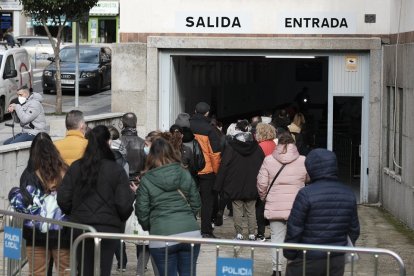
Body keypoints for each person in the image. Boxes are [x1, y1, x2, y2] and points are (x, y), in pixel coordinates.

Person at [57, 125, 134, 276]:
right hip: (107, 229)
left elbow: (63, 198)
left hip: (80, 227)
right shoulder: (116, 170)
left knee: (84, 270)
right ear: (108, 142)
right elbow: (123, 205)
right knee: (103, 270)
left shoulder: (76, 167)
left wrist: (75, 212)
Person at [284, 148, 360, 276]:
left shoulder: (305, 194)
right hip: (336, 258)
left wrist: (290, 253)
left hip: (307, 257)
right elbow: (354, 229)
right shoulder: (348, 193)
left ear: (311, 168)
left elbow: (294, 228)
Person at [135, 136, 201, 275]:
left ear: (151, 156)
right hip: (190, 232)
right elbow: (196, 203)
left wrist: (151, 226)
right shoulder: (184, 172)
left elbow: (142, 211)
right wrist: (189, 218)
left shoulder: (146, 180)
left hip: (161, 234)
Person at [9, 132, 69, 275]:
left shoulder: (29, 174)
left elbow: (26, 203)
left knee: (37, 272)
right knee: (66, 271)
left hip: (35, 234)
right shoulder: (65, 171)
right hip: (63, 232)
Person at [257, 132, 308, 276]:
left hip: (275, 206)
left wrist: (265, 198)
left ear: (278, 143)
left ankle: (277, 270)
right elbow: (308, 178)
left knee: (276, 239)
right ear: (294, 143)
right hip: (297, 208)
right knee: (296, 239)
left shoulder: (268, 160)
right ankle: (293, 268)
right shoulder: (303, 160)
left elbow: (261, 184)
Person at [214, 121, 264, 241]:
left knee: (237, 209)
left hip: (235, 183)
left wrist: (218, 185)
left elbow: (224, 165)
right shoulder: (257, 148)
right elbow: (263, 164)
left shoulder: (231, 147)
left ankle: (239, 234)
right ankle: (252, 234)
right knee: (251, 210)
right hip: (252, 183)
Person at [190, 102, 222, 238]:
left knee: (187, 198)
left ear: (194, 111)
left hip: (187, 168)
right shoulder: (210, 129)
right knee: (207, 202)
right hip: (206, 169)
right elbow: (215, 154)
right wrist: (216, 171)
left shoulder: (186, 126)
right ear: (207, 113)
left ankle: (188, 228)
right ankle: (206, 231)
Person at [254, 122, 277, 241]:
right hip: (275, 180)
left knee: (260, 208)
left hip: (264, 179)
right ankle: (274, 233)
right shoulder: (275, 144)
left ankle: (261, 233)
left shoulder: (260, 146)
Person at [119, 112, 146, 182]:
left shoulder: (116, 142)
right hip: (138, 181)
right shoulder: (143, 143)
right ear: (136, 124)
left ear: (123, 124)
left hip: (121, 181)